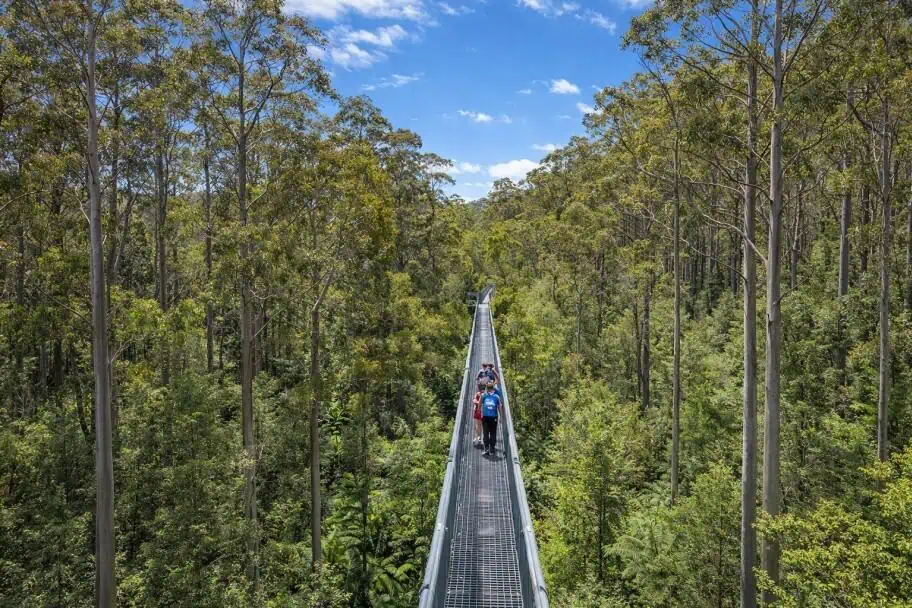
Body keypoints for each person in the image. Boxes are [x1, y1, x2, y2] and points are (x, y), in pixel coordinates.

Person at [479, 382, 503, 457]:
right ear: (493, 389)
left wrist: (480, 412)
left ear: (486, 388)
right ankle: (491, 450)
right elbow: (499, 407)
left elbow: (479, 405)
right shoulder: (496, 397)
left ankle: (486, 449)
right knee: (493, 433)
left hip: (485, 417)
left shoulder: (483, 395)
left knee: (486, 433)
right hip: (494, 417)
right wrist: (501, 417)